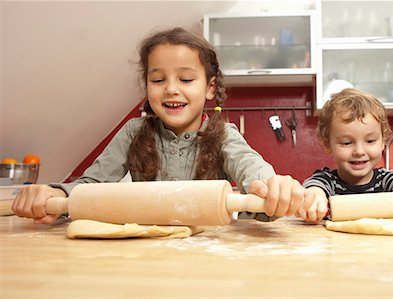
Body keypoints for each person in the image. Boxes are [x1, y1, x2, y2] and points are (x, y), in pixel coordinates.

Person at [12, 27, 305, 224]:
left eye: (186, 79)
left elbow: (252, 172)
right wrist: (57, 194)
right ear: (146, 86)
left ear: (210, 88)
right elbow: (90, 188)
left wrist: (272, 188)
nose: (171, 90)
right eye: (158, 80)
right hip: (146, 257)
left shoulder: (223, 136)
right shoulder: (133, 133)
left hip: (212, 258)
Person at [298, 88, 393, 224]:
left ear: (383, 142)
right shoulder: (327, 182)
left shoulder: (385, 181)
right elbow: (314, 187)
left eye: (370, 141)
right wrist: (314, 197)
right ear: (327, 144)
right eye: (347, 142)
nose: (359, 151)